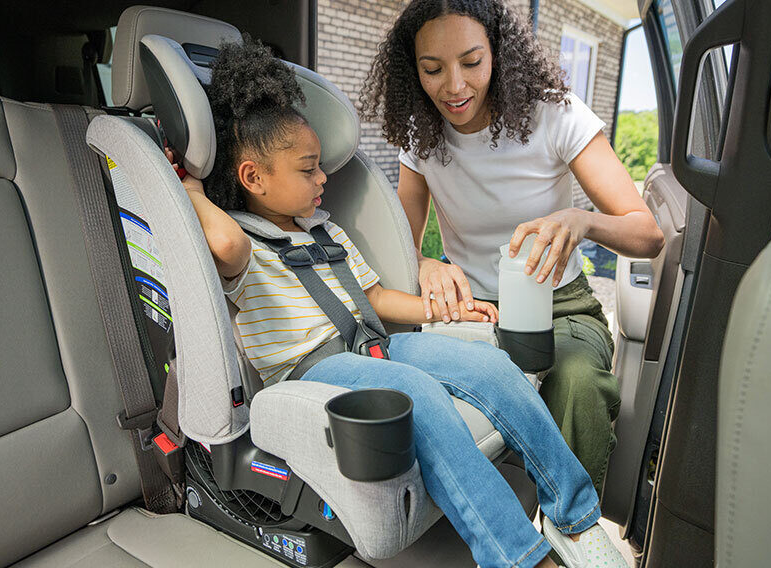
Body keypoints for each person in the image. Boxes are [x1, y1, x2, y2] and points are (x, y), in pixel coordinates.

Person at [171, 38, 627, 568]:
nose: (323, 178)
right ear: (253, 178)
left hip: (374, 346)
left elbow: (378, 298)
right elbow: (225, 246)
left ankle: (577, 518)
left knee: (492, 366)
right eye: (307, 169)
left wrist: (442, 311)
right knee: (420, 396)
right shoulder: (241, 241)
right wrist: (193, 189)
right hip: (310, 371)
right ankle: (520, 557)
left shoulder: (324, 231)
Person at [361, 0, 665, 494]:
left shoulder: (556, 115)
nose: (454, 86)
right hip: (471, 311)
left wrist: (582, 221)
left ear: (499, 55)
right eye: (432, 69)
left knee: (578, 386)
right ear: (412, 71)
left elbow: (647, 232)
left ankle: (572, 530)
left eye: (472, 62)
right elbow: (403, 239)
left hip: (557, 307)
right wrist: (423, 263)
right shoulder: (421, 133)